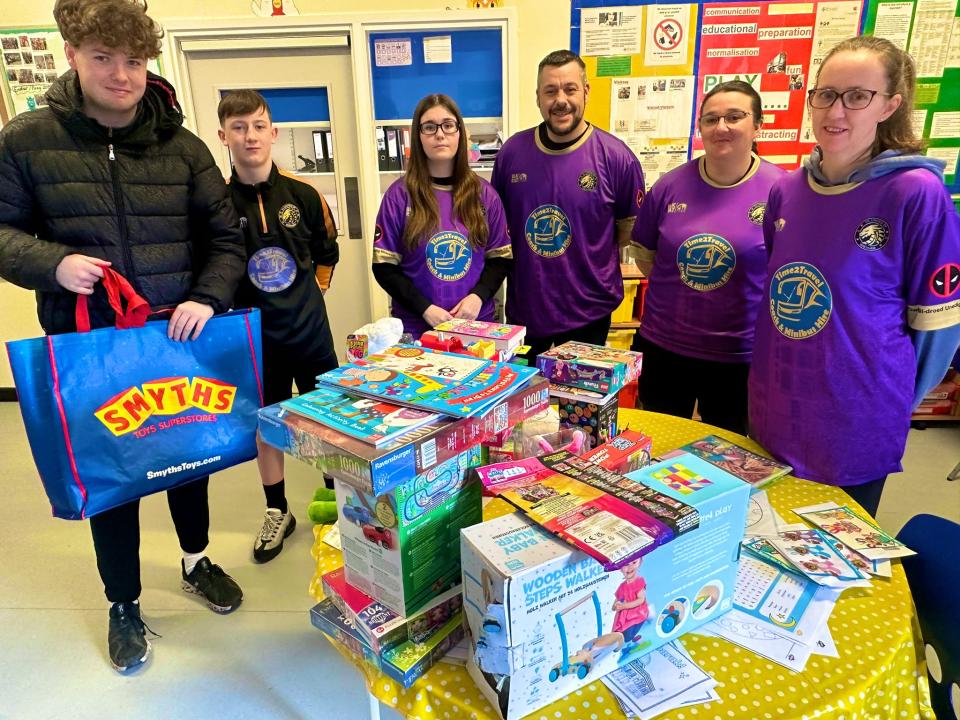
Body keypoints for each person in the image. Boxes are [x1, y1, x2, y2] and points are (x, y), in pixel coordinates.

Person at [0, 0, 247, 672]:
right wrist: (53, 263)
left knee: (186, 456)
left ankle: (196, 562)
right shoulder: (26, 140)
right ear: (73, 55)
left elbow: (227, 238)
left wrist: (207, 294)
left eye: (133, 60)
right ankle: (124, 603)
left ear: (149, 63)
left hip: (176, 338)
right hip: (89, 345)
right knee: (112, 475)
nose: (121, 74)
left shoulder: (185, 147)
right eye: (103, 57)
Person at [749, 35, 960, 517]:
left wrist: (887, 402)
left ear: (890, 104)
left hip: (855, 417)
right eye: (825, 94)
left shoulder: (915, 194)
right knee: (764, 537)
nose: (836, 111)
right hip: (776, 403)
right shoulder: (786, 190)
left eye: (857, 96)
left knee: (836, 555)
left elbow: (938, 327)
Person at [217, 89, 340, 563]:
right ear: (223, 134)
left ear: (274, 132)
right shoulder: (217, 204)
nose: (250, 136)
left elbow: (327, 255)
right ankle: (278, 512)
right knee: (266, 427)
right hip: (253, 342)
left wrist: (305, 300)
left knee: (329, 424)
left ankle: (337, 505)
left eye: (258, 125)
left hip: (310, 334)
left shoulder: (305, 196)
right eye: (239, 127)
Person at [630, 81, 784, 434]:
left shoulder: (781, 191)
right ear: (699, 128)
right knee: (656, 445)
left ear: (757, 125)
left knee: (728, 455)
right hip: (666, 348)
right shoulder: (670, 187)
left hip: (738, 356)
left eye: (735, 117)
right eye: (711, 119)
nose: (722, 127)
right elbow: (646, 257)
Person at [491, 50, 645, 361]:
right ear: (538, 97)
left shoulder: (617, 158)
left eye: (570, 89)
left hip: (589, 313)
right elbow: (500, 231)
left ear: (586, 91)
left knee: (579, 408)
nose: (560, 99)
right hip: (526, 314)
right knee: (524, 404)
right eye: (550, 91)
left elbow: (625, 234)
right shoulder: (511, 154)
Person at [372, 93, 512, 339]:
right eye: (429, 127)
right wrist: (424, 308)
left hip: (474, 327)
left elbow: (500, 258)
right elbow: (384, 267)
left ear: (460, 132)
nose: (440, 134)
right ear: (418, 136)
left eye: (448, 125)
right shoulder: (399, 196)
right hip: (417, 330)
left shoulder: (485, 195)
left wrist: (477, 297)